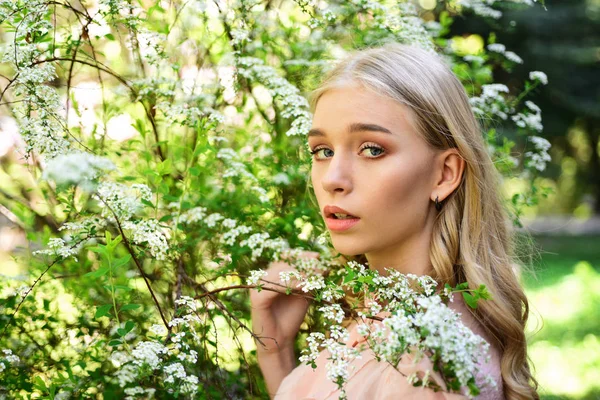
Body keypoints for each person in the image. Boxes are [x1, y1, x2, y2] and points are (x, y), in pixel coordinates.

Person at [250, 42, 539, 400]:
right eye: (322, 151)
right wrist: (275, 351)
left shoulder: (427, 365)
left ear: (444, 174)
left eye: (372, 149)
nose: (331, 179)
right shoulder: (387, 323)